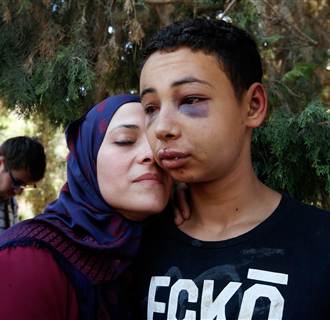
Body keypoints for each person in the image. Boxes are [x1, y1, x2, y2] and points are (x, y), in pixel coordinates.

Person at [135, 18, 330, 319]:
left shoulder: (320, 244)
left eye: (190, 100)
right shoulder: (131, 246)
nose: (162, 127)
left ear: (253, 105)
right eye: (150, 108)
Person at [0, 95, 173, 320]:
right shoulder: (29, 261)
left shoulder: (171, 239)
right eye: (125, 140)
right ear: (87, 160)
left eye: (159, 143)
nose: (151, 154)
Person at [0, 136, 46, 234]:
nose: (18, 192)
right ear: (1, 164)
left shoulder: (11, 204)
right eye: (16, 182)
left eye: (24, 186)